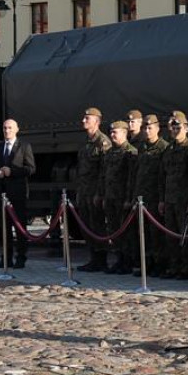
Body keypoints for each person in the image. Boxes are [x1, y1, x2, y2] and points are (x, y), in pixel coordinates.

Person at [0, 119, 36, 269]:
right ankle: (5, 258)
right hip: (2, 194)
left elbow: (30, 168)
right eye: (4, 128)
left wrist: (12, 171)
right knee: (4, 227)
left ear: (16, 130)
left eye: (9, 128)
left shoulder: (24, 146)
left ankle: (21, 257)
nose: (7, 131)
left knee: (19, 226)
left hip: (18, 192)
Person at [159, 111, 188, 280]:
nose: (175, 130)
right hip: (169, 199)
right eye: (173, 128)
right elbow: (163, 176)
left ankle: (186, 268)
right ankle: (174, 266)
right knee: (171, 235)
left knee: (185, 234)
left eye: (179, 127)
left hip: (183, 199)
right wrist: (162, 199)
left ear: (187, 128)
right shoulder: (168, 149)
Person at [132, 114, 169, 276]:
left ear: (157, 128)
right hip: (142, 198)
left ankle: (160, 264)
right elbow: (137, 174)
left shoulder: (163, 148)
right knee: (143, 233)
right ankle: (147, 263)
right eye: (145, 128)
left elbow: (163, 176)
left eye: (150, 128)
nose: (147, 131)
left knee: (157, 233)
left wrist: (162, 198)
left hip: (155, 196)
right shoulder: (141, 147)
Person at [76, 108, 112, 272]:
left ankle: (101, 259)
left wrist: (100, 193)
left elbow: (104, 171)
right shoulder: (86, 142)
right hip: (84, 191)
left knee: (97, 225)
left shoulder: (102, 142)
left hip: (95, 192)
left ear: (96, 121)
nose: (83, 121)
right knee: (87, 226)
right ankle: (93, 258)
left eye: (87, 118)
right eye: (84, 118)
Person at [101, 121, 138, 274]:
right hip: (111, 197)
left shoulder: (130, 152)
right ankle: (119, 259)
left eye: (115, 132)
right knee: (114, 230)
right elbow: (104, 176)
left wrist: (129, 199)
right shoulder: (109, 152)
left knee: (126, 231)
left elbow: (131, 178)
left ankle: (128, 262)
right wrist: (103, 195)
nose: (112, 135)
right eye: (111, 132)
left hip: (123, 198)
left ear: (125, 133)